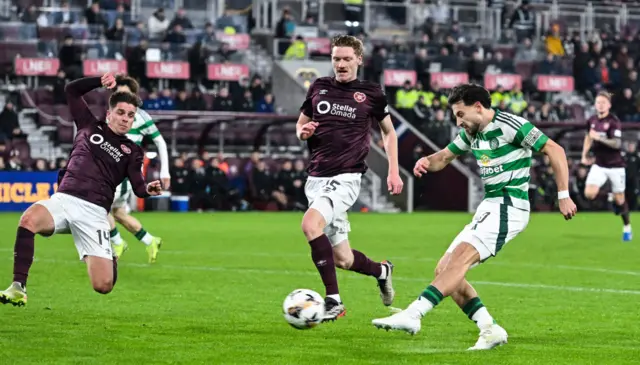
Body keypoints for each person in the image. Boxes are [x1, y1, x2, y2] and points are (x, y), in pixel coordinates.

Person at [371, 84, 577, 350]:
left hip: (509, 205)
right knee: (444, 269)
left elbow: (555, 149)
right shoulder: (472, 132)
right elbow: (444, 157)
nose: (458, 121)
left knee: (459, 260)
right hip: (489, 206)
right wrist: (427, 161)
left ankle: (414, 313)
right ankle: (489, 328)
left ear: (478, 107)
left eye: (460, 114)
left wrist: (563, 195)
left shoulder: (510, 125)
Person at [0, 73, 163, 307]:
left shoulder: (133, 151)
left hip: (95, 213)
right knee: (28, 219)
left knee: (103, 285)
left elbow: (138, 187)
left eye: (131, 115)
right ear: (109, 113)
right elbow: (71, 90)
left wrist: (149, 189)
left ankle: (110, 255)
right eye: (120, 113)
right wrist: (99, 81)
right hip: (65, 200)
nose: (125, 119)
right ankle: (18, 287)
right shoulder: (88, 124)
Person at [296, 34, 404, 322]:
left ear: (359, 59)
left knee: (310, 224)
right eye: (336, 59)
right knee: (343, 259)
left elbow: (389, 132)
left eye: (346, 59)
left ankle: (333, 301)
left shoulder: (371, 93)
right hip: (316, 177)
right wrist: (302, 133)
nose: (340, 64)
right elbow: (302, 124)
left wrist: (393, 170)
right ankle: (382, 271)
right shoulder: (319, 87)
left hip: (346, 176)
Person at [107, 76, 170, 263]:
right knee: (118, 213)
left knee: (98, 209)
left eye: (127, 94)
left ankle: (117, 243)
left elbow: (160, 142)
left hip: (122, 174)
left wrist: (165, 171)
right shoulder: (113, 114)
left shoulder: (140, 117)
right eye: (119, 93)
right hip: (111, 171)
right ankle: (151, 240)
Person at [581, 91, 631, 241]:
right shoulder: (591, 120)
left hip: (616, 165)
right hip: (600, 164)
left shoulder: (614, 121)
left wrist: (600, 138)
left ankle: (627, 227)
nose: (600, 105)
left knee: (620, 200)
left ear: (609, 105)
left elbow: (617, 144)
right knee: (589, 194)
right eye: (598, 102)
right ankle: (610, 196)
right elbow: (588, 137)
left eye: (603, 102)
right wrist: (584, 155)